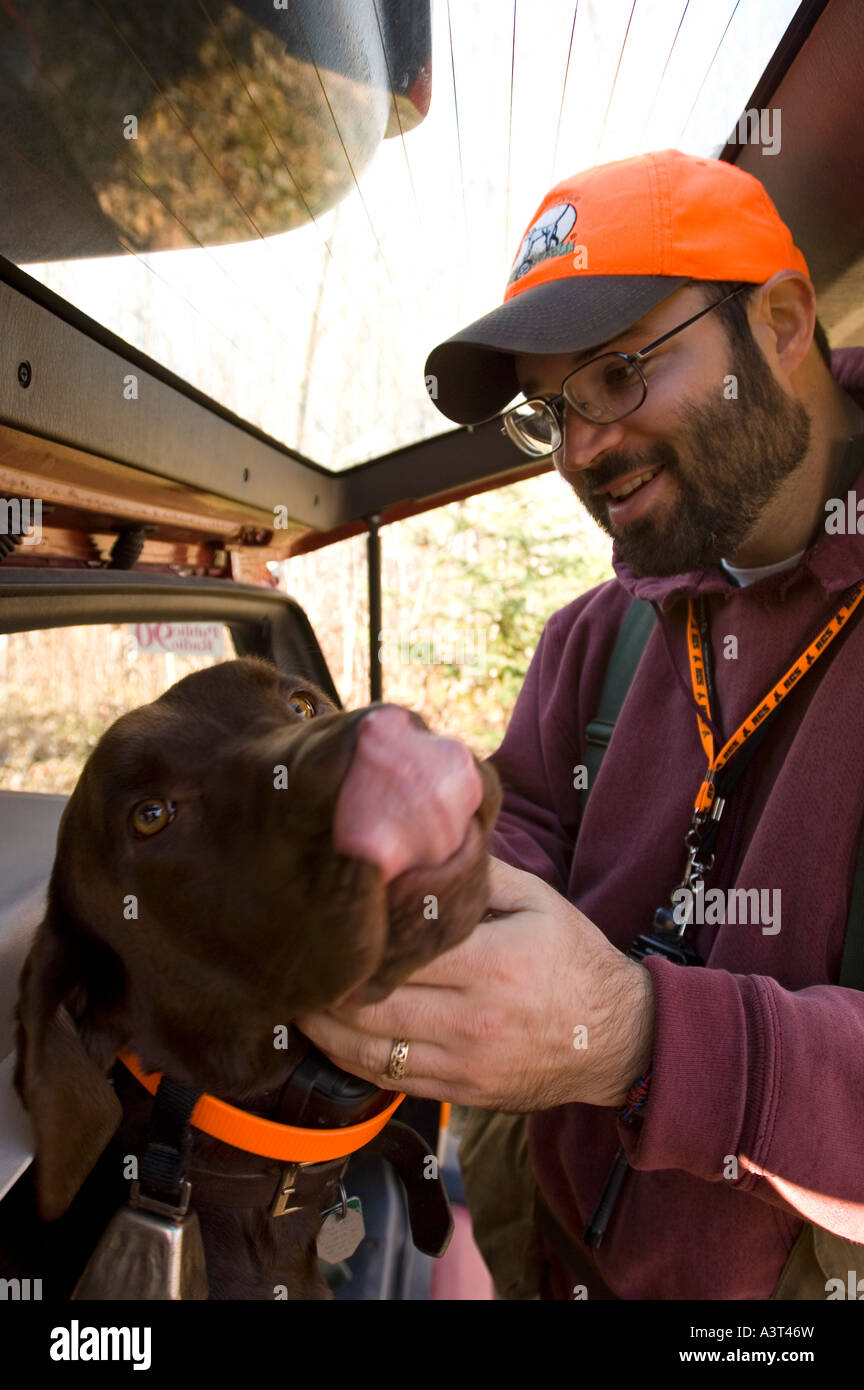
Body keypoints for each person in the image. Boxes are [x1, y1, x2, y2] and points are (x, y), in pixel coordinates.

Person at [297, 148, 864, 1300]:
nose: (580, 448)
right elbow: (535, 822)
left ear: (785, 320)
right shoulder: (593, 641)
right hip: (543, 1251)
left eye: (616, 374)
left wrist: (638, 1037)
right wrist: (423, 872)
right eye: (549, 409)